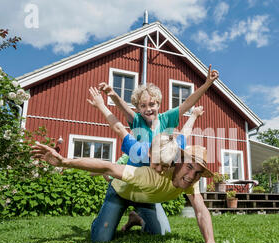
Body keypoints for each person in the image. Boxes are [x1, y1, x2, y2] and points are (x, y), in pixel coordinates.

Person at [31, 141, 222, 243]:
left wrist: (210, 241)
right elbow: (109, 166)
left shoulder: (190, 183)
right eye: (189, 167)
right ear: (178, 162)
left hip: (146, 201)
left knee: (161, 233)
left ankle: (135, 218)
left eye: (197, 172)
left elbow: (201, 210)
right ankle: (104, 220)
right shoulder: (150, 176)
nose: (191, 176)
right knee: (100, 239)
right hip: (120, 193)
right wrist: (65, 162)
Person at [87, 87, 205, 231]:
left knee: (162, 233)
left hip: (147, 192)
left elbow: (186, 116)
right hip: (125, 185)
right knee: (101, 236)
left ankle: (136, 219)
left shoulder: (168, 131)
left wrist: (194, 113)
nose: (148, 109)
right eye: (143, 106)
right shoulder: (138, 130)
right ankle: (101, 220)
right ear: (138, 108)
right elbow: (119, 123)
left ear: (159, 104)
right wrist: (108, 99)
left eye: (152, 104)